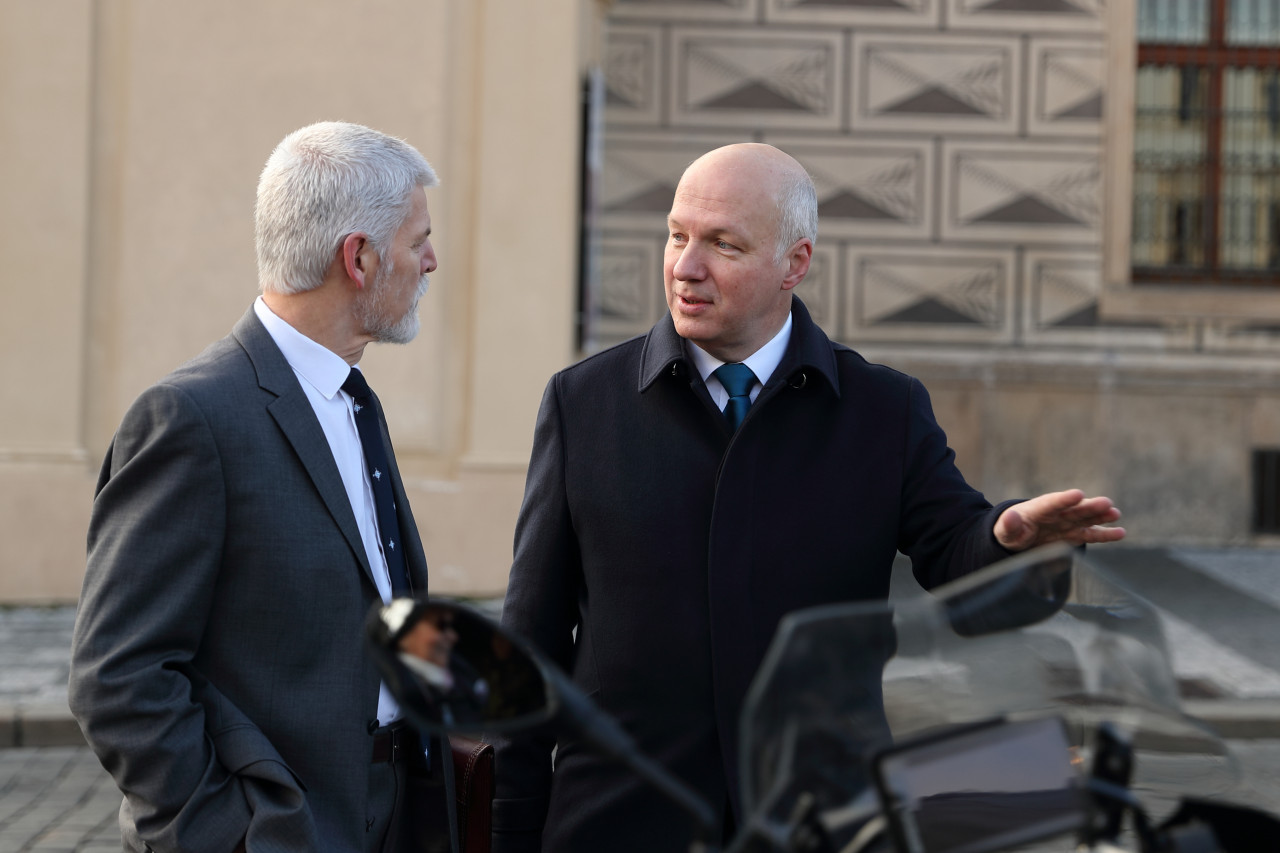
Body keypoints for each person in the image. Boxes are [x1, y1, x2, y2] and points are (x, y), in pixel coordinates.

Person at [492, 143, 1125, 852]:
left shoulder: (883, 411)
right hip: (618, 825)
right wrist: (514, 825)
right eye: (677, 234)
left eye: (723, 244)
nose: (685, 266)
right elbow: (528, 646)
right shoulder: (583, 404)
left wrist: (1010, 543)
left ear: (795, 262)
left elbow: (959, 554)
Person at [69, 121, 448, 853]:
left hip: (397, 818)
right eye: (418, 240)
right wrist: (233, 834)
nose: (431, 261)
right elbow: (118, 678)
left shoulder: (352, 400)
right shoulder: (191, 418)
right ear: (359, 258)